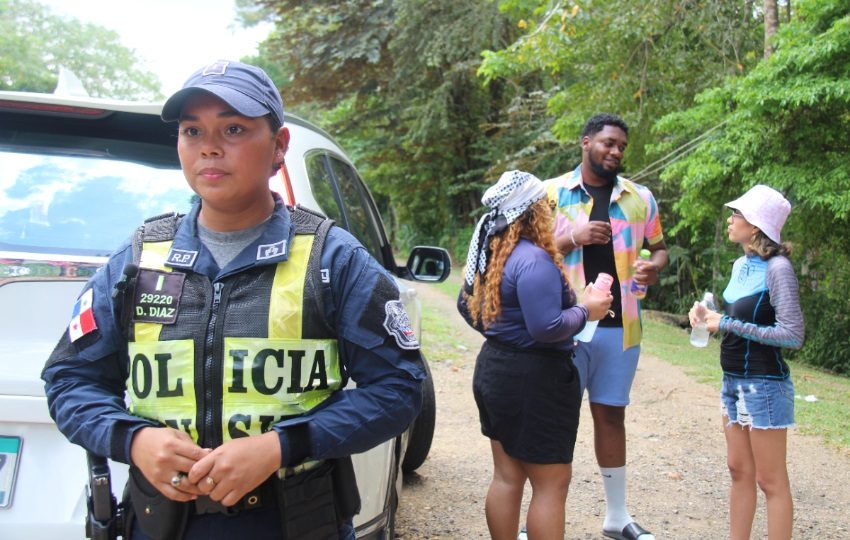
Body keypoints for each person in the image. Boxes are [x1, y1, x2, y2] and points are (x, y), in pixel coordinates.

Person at [41, 60, 425, 540]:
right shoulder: (139, 259)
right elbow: (69, 380)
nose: (209, 146)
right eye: (192, 131)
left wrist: (280, 447)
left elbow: (399, 388)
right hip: (161, 524)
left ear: (279, 146)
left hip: (298, 524)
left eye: (234, 129)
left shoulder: (332, 259)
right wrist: (134, 439)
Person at [457, 170, 613, 540]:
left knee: (507, 476)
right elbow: (547, 328)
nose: (551, 211)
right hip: (535, 380)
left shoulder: (490, 252)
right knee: (550, 484)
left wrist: (502, 333)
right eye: (547, 205)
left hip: (495, 369)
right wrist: (587, 311)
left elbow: (466, 306)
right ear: (533, 211)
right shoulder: (534, 260)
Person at [545, 113, 668, 540]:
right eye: (608, 143)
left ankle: (617, 517)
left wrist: (654, 267)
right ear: (586, 142)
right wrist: (573, 238)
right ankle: (539, 518)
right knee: (555, 420)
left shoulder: (640, 198)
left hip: (620, 328)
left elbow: (660, 249)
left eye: (621, 146)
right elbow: (526, 252)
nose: (616, 151)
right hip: (565, 326)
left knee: (611, 416)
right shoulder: (550, 194)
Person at [688, 185, 804, 540]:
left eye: (736, 214)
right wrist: (709, 316)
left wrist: (727, 323)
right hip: (732, 381)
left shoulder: (778, 269)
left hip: (765, 385)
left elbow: (792, 334)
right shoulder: (740, 264)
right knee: (738, 471)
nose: (730, 219)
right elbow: (739, 318)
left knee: (770, 481)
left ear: (755, 225)